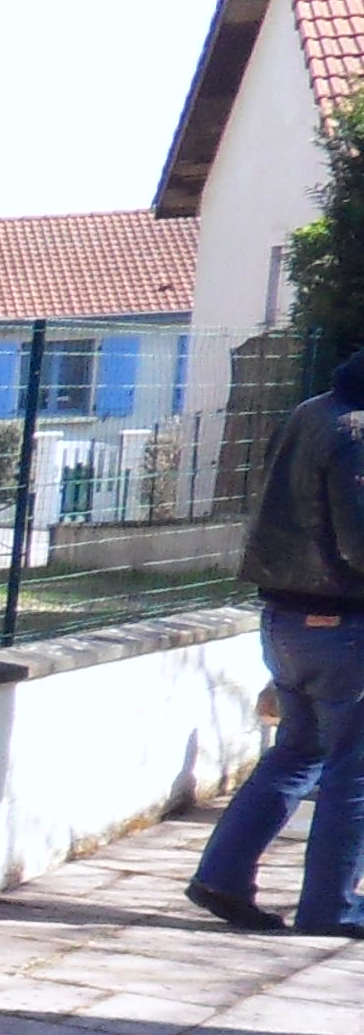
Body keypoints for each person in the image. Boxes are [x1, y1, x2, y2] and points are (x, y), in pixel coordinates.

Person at [190, 348, 364, 936]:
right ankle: (332, 908)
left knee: (298, 752)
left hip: (285, 620)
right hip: (345, 626)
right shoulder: (356, 431)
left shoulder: (311, 412)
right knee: (353, 770)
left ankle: (222, 876)